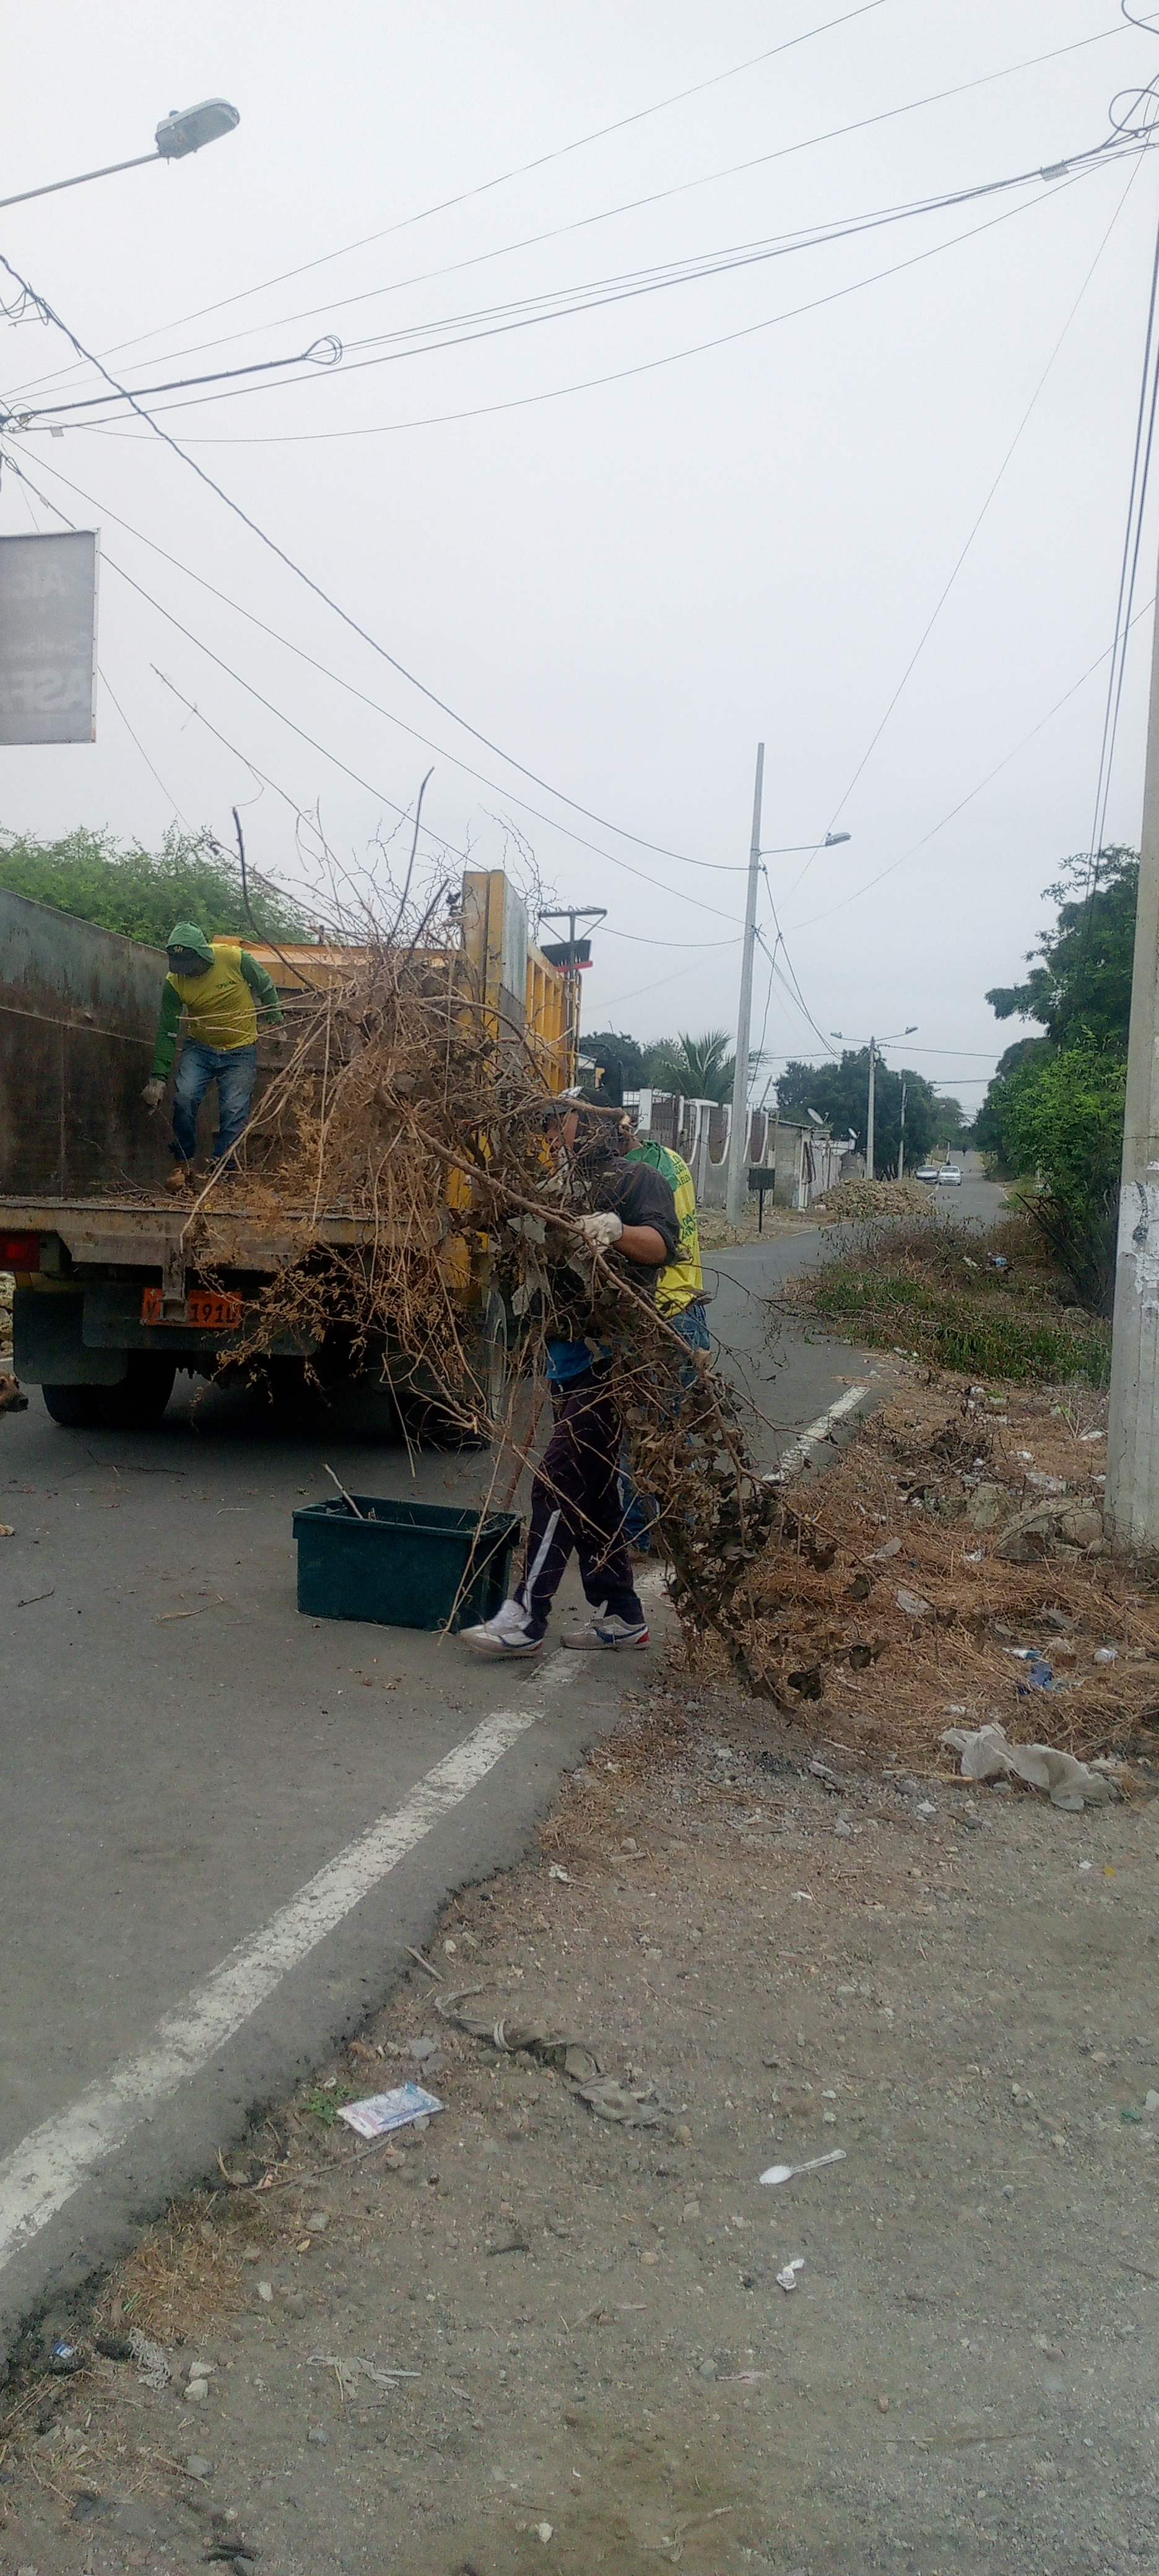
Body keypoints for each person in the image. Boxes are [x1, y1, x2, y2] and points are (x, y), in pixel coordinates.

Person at [462, 1100, 678, 1657]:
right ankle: (622, 1611)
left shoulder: (639, 1179)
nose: (553, 1136)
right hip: (567, 1361)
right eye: (549, 1128)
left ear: (594, 1124)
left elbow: (660, 1245)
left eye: (561, 1124)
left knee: (558, 1482)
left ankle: (526, 1616)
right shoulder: (557, 1188)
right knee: (596, 1493)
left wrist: (615, 1230)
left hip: (614, 1362)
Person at [141, 923, 284, 1191]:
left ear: (203, 955)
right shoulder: (175, 983)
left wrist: (275, 1020)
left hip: (240, 1049)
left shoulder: (233, 958)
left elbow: (264, 984)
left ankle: (222, 1175)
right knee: (184, 1098)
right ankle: (183, 1164)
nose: (187, 972)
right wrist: (158, 1078)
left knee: (234, 1110)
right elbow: (168, 1031)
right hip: (200, 1048)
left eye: (190, 966)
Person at [619, 1129, 710, 1547]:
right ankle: (678, 1531)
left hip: (660, 1313)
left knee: (642, 1432)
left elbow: (649, 1244)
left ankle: (643, 1536)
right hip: (689, 1308)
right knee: (675, 1431)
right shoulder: (671, 1158)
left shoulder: (638, 1175)